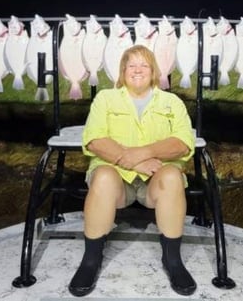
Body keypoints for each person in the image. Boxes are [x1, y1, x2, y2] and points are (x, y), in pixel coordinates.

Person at [68, 45, 196, 296]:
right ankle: (90, 261)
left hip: (155, 181)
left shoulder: (172, 102)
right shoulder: (105, 98)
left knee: (172, 177)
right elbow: (94, 140)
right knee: (103, 177)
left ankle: (173, 260)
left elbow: (182, 144)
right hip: (117, 182)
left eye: (144, 65)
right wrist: (134, 162)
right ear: (122, 71)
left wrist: (143, 153)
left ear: (154, 71)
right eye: (131, 65)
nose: (137, 70)